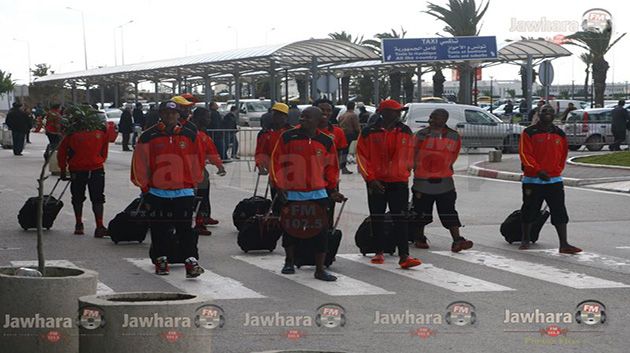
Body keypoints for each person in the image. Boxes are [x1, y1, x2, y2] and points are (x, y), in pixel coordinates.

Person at [131, 98, 206, 278]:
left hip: (184, 191)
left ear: (178, 115)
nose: (170, 116)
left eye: (173, 113)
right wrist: (144, 187)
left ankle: (191, 261)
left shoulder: (190, 134)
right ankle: (161, 260)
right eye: (166, 113)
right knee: (160, 229)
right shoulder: (148, 136)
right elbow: (139, 163)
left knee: (185, 229)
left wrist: (194, 182)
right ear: (161, 115)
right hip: (157, 193)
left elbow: (198, 160)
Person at [271, 106, 345, 281]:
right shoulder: (287, 136)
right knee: (290, 229)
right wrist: (279, 185)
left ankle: (319, 269)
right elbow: (276, 162)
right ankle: (289, 261)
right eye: (302, 117)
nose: (302, 120)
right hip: (293, 192)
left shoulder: (326, 140)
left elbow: (332, 167)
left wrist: (332, 189)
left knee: (321, 232)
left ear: (318, 120)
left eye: (307, 117)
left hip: (318, 193)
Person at [356, 99, 422, 269]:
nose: (399, 114)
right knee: (377, 216)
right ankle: (378, 251)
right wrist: (371, 179)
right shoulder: (368, 132)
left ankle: (404, 255)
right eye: (396, 111)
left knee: (401, 218)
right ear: (384, 113)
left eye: (400, 111)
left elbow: (410, 154)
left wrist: (406, 171)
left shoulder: (405, 130)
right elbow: (362, 158)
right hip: (376, 182)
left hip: (399, 181)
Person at [519, 104, 582, 254]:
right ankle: (525, 239)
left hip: (554, 180)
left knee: (559, 210)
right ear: (538, 114)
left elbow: (563, 154)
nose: (548, 113)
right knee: (529, 209)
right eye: (544, 111)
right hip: (532, 180)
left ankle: (564, 244)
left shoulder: (559, 133)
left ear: (554, 115)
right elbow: (525, 154)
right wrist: (537, 170)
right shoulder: (529, 132)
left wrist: (557, 170)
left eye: (551, 111)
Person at [412, 108, 474, 252]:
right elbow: (412, 153)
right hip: (423, 180)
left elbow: (454, 154)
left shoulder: (453, 136)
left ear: (444, 119)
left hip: (444, 179)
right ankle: (419, 237)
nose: (430, 120)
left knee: (449, 211)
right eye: (431, 117)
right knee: (421, 211)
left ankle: (457, 240)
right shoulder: (421, 134)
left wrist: (444, 167)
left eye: (435, 118)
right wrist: (417, 168)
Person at [57, 106, 109, 238]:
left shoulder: (70, 134)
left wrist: (63, 169)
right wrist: (97, 160)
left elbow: (62, 153)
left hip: (77, 170)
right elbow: (104, 152)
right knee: (98, 198)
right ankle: (99, 226)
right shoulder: (100, 133)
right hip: (97, 169)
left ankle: (79, 224)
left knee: (77, 198)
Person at [191, 107, 226, 235]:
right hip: (190, 171)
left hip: (199, 170)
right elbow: (211, 152)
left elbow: (211, 152)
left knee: (203, 194)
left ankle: (204, 216)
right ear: (198, 118)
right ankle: (198, 222)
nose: (209, 120)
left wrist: (219, 166)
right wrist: (219, 166)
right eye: (207, 117)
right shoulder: (192, 133)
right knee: (197, 196)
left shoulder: (202, 133)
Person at [314, 98, 348, 230]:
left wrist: (335, 170)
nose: (326, 113)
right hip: (308, 180)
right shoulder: (301, 131)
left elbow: (341, 154)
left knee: (327, 213)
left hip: (330, 180)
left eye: (329, 110)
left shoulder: (337, 132)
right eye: (322, 110)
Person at [255, 102, 293, 213]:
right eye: (275, 114)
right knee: (276, 199)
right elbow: (260, 151)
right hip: (275, 172)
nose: (277, 117)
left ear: (285, 117)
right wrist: (260, 165)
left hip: (292, 171)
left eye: (280, 114)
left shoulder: (292, 132)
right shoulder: (265, 133)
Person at [338, 101, 361, 174]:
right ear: (354, 107)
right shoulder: (353, 115)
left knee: (344, 151)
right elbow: (356, 127)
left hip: (342, 134)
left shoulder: (343, 115)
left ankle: (342, 166)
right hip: (351, 134)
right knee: (355, 150)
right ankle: (358, 167)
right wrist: (361, 134)